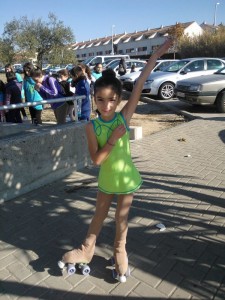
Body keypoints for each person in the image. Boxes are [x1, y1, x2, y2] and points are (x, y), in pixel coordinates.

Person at [60, 39, 173, 282]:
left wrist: (157, 54)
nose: (107, 105)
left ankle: (120, 250)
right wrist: (112, 140)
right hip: (106, 180)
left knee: (121, 218)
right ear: (95, 99)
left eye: (112, 100)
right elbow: (97, 160)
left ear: (119, 99)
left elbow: (141, 81)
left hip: (127, 180)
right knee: (99, 215)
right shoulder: (92, 126)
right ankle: (86, 249)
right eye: (100, 100)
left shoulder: (124, 117)